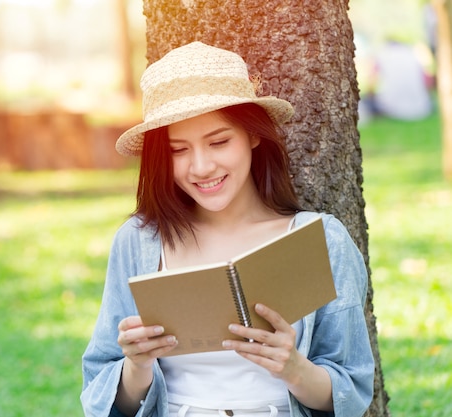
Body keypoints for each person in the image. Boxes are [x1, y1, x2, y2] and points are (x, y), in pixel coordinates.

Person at [81, 41, 374, 417]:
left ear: (253, 135)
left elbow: (352, 392)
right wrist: (136, 366)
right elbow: (102, 395)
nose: (201, 167)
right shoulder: (139, 242)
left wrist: (293, 367)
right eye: (178, 150)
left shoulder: (320, 239)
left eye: (219, 142)